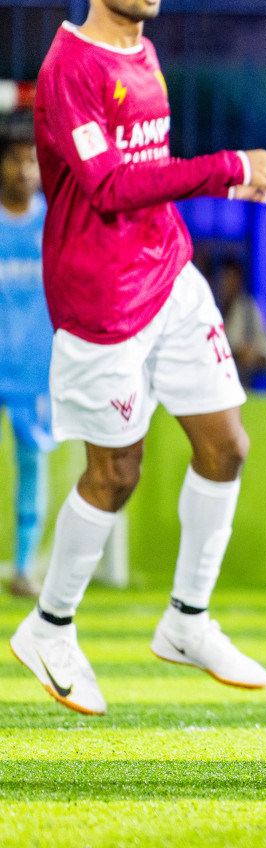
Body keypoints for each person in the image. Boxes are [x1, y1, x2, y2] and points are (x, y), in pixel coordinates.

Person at [9, 0, 266, 715]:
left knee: (226, 445)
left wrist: (216, 181)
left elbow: (147, 170)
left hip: (167, 275)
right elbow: (105, 186)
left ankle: (187, 620)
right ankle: (50, 627)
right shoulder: (70, 71)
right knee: (115, 473)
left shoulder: (142, 48)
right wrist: (225, 165)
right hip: (101, 303)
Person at [0, 126, 53, 597]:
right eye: (15, 159)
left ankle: (23, 567)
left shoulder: (53, 224)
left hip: (35, 370)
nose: (25, 170)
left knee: (32, 467)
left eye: (32, 161)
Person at [211, 258, 266, 384]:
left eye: (232, 278)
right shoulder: (206, 308)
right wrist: (235, 351)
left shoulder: (248, 308)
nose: (227, 283)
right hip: (211, 382)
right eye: (224, 278)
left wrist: (255, 353)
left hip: (244, 383)